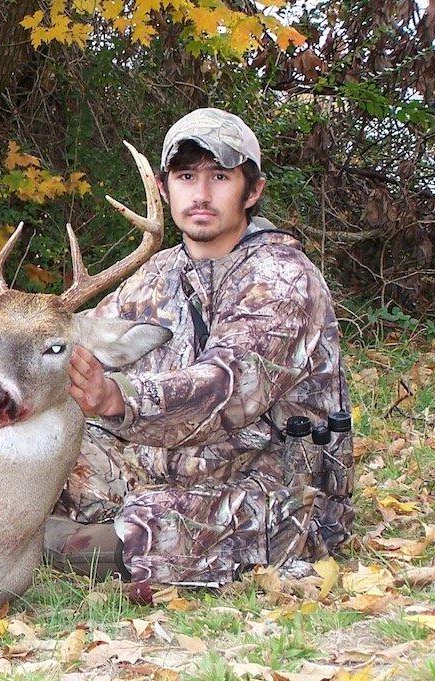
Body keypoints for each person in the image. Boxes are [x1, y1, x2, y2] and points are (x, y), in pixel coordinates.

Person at [45, 108, 355, 587]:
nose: (202, 194)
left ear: (252, 190)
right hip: (165, 464)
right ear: (165, 190)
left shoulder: (282, 279)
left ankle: (61, 539)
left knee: (133, 532)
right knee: (39, 454)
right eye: (187, 176)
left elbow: (228, 389)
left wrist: (116, 396)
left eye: (220, 177)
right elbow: (87, 335)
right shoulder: (158, 274)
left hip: (271, 483)